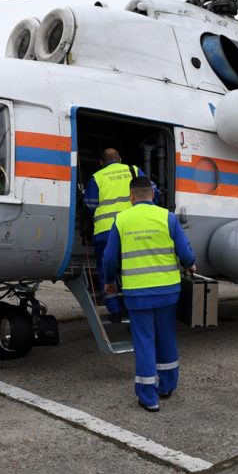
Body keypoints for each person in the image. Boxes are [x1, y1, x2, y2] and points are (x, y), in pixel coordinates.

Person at [102, 176, 195, 412]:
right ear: (152, 195)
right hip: (167, 291)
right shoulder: (167, 217)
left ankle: (149, 397)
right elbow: (184, 253)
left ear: (131, 196)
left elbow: (109, 258)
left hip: (137, 293)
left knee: (144, 342)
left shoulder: (121, 219)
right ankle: (167, 386)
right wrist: (190, 262)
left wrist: (109, 281)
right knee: (166, 338)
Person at [84, 148, 144, 321]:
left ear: (101, 163)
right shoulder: (134, 170)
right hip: (132, 230)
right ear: (120, 159)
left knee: (106, 273)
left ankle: (114, 308)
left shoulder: (97, 177)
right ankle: (135, 307)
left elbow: (90, 205)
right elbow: (151, 194)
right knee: (133, 270)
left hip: (105, 232)